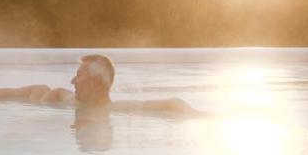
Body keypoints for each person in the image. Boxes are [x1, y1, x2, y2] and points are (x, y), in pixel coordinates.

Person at [41, 54, 201, 117]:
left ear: (96, 81)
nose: (72, 81)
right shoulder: (69, 99)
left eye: (79, 75)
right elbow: (54, 92)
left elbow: (171, 103)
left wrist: (196, 114)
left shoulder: (117, 109)